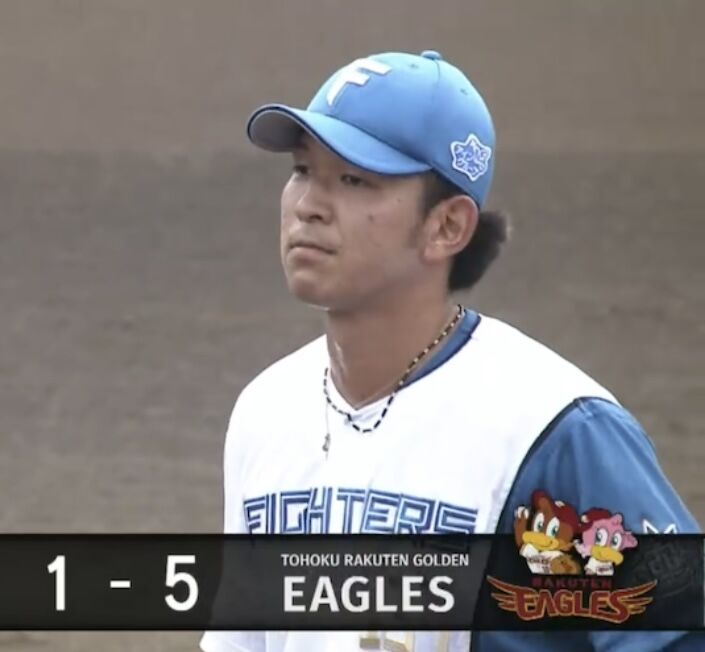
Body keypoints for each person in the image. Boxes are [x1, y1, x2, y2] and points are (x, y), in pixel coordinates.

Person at [198, 50, 702, 652]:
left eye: (354, 180)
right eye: (303, 170)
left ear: (448, 227)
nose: (308, 204)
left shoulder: (551, 432)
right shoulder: (267, 412)